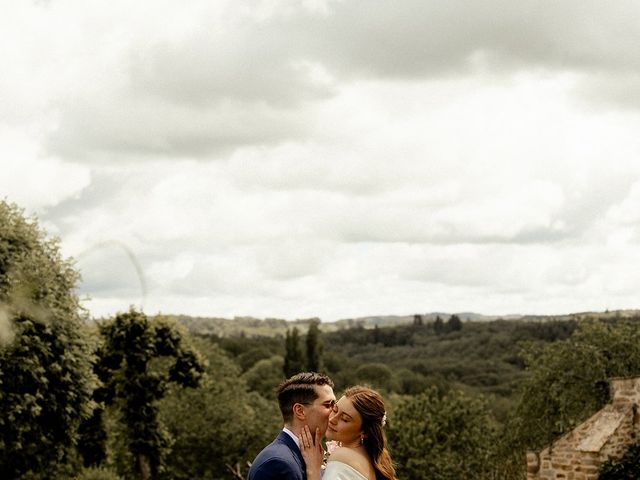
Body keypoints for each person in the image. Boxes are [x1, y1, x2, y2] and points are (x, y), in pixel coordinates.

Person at [248, 372, 336, 480]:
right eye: (328, 405)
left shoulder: (315, 458)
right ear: (300, 411)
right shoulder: (276, 464)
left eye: (334, 405)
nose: (335, 412)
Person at [298, 386, 398, 480]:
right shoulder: (368, 459)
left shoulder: (342, 456)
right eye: (335, 410)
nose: (333, 419)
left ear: (365, 432)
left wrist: (313, 470)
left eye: (345, 419)